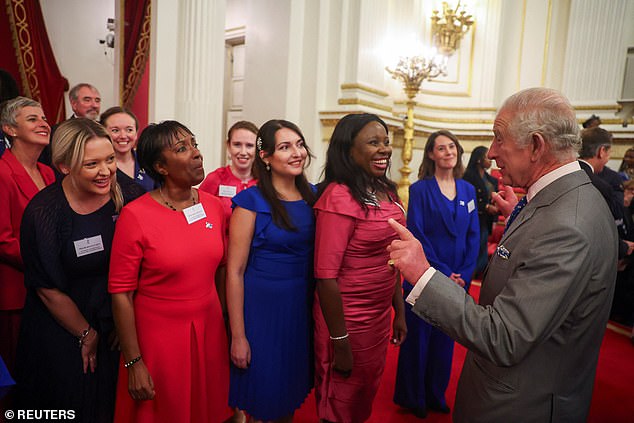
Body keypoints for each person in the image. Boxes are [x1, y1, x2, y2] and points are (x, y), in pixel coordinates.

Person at [387, 87, 618, 422]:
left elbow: (504, 336)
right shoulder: (568, 197)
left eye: (499, 139)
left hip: (518, 405)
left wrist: (422, 274)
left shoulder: (565, 225)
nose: (491, 152)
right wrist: (520, 221)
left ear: (536, 145)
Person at [14, 118, 143, 423]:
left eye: (110, 159)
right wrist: (86, 334)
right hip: (61, 327)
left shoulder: (129, 194)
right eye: (92, 164)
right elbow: (46, 287)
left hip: (114, 322)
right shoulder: (44, 213)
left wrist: (123, 320)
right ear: (64, 167)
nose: (106, 171)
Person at [108, 121, 231, 422]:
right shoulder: (135, 216)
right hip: (159, 340)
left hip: (210, 331)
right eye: (182, 148)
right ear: (160, 166)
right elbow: (121, 294)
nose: (197, 154)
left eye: (194, 144)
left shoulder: (215, 207)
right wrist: (134, 361)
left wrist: (224, 322)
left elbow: (223, 270)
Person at [313, 113, 407, 422]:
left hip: (379, 317)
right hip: (347, 319)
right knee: (341, 401)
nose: (384, 149)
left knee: (365, 393)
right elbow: (325, 277)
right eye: (373, 143)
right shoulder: (338, 198)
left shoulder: (387, 192)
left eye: (385, 142)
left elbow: (391, 256)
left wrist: (399, 312)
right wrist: (339, 342)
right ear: (347, 150)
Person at [227, 119, 315, 422]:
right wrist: (238, 336)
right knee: (262, 401)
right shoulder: (250, 203)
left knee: (288, 398)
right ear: (265, 157)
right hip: (262, 313)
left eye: (299, 144)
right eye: (285, 147)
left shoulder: (314, 198)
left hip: (300, 311)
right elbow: (234, 272)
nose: (296, 153)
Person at [393, 130, 479, 418]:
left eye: (451, 146)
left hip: (458, 279)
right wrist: (442, 272)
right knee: (419, 339)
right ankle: (413, 397)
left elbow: (473, 234)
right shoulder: (419, 189)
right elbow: (418, 235)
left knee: (445, 341)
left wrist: (464, 275)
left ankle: (435, 394)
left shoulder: (467, 190)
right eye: (441, 148)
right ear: (431, 154)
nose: (448, 152)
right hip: (424, 274)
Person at [0, 97, 56, 378]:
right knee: (16, 375)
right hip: (15, 295)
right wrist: (48, 262)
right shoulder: (2, 173)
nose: (43, 123)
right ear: (10, 129)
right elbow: (3, 240)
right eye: (33, 119)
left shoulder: (48, 173)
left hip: (51, 290)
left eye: (44, 118)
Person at [199, 120, 258, 229]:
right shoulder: (215, 179)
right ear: (228, 146)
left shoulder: (265, 183)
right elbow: (200, 217)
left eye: (249, 146)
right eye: (237, 145)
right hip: (223, 244)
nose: (243, 152)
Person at [40, 83, 102, 167]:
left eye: (97, 101)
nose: (94, 105)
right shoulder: (57, 132)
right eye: (87, 100)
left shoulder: (105, 128)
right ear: (74, 104)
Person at [100, 106, 157, 191]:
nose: (123, 136)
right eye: (115, 130)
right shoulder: (98, 166)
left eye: (129, 130)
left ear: (136, 133)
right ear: (103, 133)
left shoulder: (147, 160)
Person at [462, 145, 499, 276]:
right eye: (486, 157)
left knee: (482, 245)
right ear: (478, 159)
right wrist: (486, 207)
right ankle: (469, 273)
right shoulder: (467, 177)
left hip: (486, 220)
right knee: (473, 246)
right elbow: (466, 199)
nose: (490, 159)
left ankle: (478, 273)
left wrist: (494, 217)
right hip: (472, 219)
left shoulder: (491, 180)